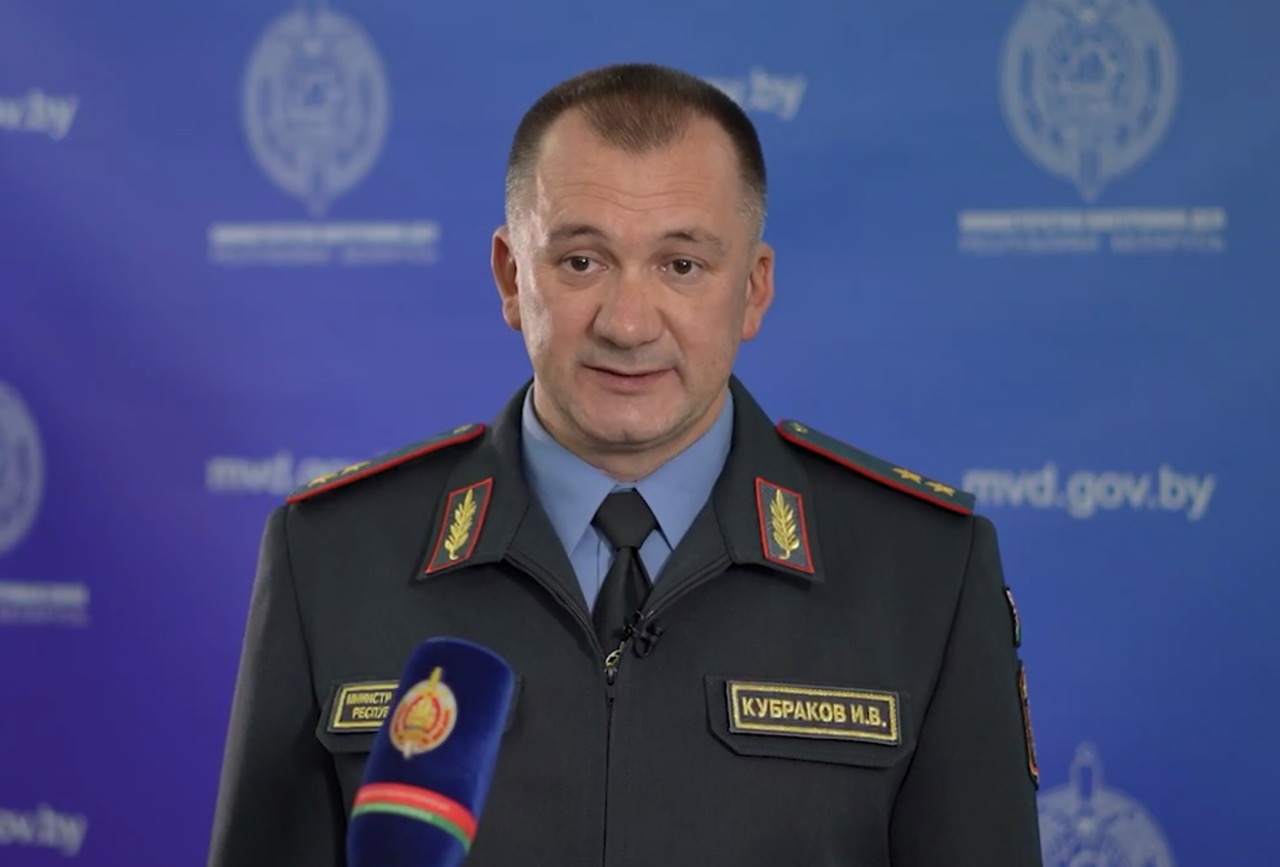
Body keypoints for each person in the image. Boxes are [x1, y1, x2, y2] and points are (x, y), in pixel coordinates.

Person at [207, 62, 1043, 866]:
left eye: (682, 265)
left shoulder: (925, 572)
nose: (629, 323)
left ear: (753, 290)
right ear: (510, 277)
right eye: (582, 261)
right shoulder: (331, 557)